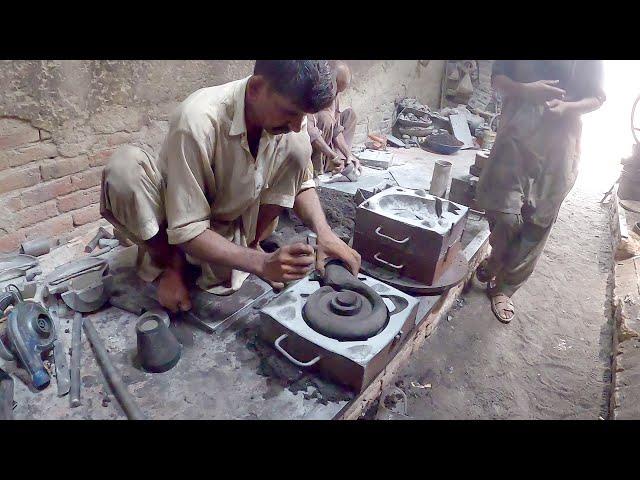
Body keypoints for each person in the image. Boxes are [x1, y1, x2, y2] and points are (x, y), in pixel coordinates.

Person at [100, 60, 361, 312]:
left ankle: (251, 245)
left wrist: (324, 233)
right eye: (291, 113)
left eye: (302, 116)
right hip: (178, 222)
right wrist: (261, 264)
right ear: (257, 88)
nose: (296, 125)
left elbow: (302, 182)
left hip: (233, 223)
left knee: (299, 146)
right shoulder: (197, 121)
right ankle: (172, 265)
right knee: (124, 169)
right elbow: (187, 228)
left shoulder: (287, 118)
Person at [475, 60, 606, 323]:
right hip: (517, 133)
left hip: (561, 140)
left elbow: (597, 97)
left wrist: (569, 107)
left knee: (539, 220)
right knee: (504, 212)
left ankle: (505, 288)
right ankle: (497, 255)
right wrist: (525, 90)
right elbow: (498, 78)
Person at [307, 61, 360, 175]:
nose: (336, 95)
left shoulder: (335, 94)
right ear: (330, 81)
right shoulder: (313, 90)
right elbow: (311, 131)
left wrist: (348, 154)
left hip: (327, 138)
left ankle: (342, 162)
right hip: (311, 141)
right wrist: (332, 155)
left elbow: (336, 129)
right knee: (325, 118)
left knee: (350, 115)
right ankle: (316, 169)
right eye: (336, 90)